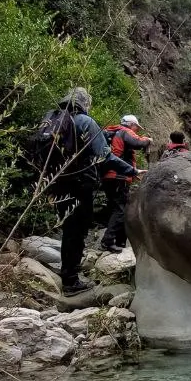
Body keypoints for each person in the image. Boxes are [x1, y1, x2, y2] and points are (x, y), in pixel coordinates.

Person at [36, 88, 136, 294]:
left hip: (56, 183)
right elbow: (105, 156)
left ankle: (68, 272)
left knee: (68, 229)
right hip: (79, 184)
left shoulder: (51, 118)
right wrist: (132, 170)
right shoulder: (84, 121)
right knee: (77, 231)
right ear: (84, 103)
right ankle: (71, 281)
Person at [100, 114, 153, 252]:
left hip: (109, 176)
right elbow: (138, 143)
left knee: (115, 208)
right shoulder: (124, 131)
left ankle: (120, 241)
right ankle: (108, 241)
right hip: (119, 176)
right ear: (130, 124)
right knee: (120, 209)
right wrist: (147, 140)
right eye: (136, 127)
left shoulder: (112, 133)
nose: (137, 130)